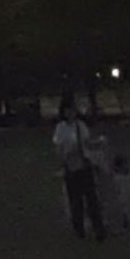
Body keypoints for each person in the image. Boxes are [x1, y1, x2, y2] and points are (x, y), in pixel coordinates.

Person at [49, 99, 104, 242]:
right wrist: (64, 161)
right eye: (67, 110)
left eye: (72, 110)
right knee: (75, 200)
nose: (70, 113)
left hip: (84, 165)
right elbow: (58, 148)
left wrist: (97, 143)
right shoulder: (60, 128)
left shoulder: (81, 125)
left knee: (92, 199)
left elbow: (87, 143)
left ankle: (98, 228)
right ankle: (79, 228)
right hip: (71, 167)